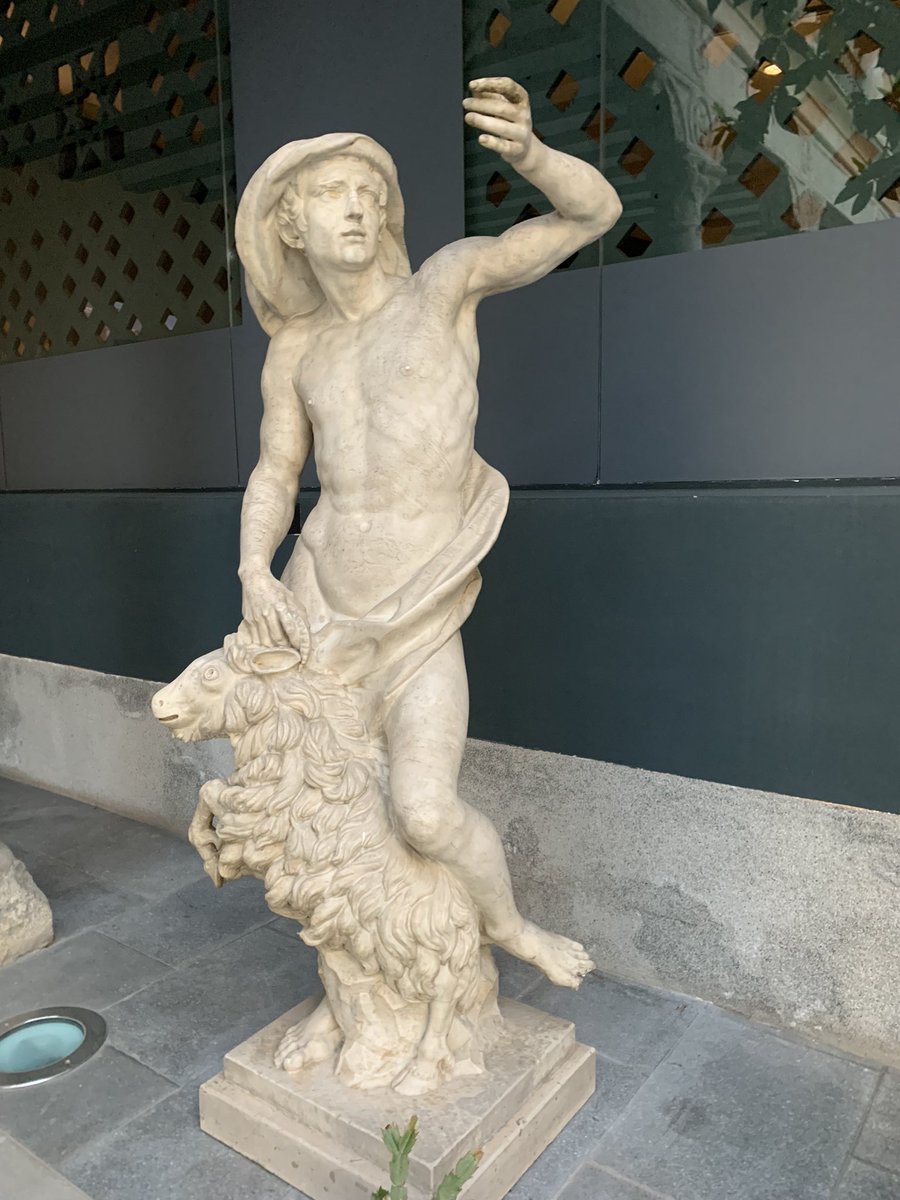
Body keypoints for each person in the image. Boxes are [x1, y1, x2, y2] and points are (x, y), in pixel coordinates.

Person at [234, 77, 622, 988]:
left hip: (416, 607)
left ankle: (512, 929)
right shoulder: (295, 349)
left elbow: (593, 213)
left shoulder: (444, 285)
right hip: (318, 598)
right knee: (320, 809)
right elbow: (278, 472)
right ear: (290, 225)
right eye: (332, 193)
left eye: (369, 193)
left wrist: (531, 154)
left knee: (423, 812)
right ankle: (364, 989)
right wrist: (255, 568)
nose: (356, 208)